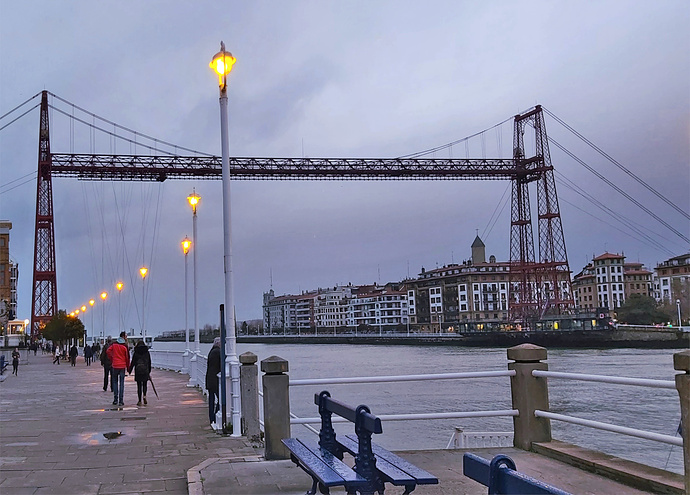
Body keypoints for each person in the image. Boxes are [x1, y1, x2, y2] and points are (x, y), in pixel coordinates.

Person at [107, 332, 130, 406]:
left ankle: (115, 399)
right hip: (122, 366)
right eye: (126, 336)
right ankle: (121, 400)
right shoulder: (124, 347)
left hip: (115, 365)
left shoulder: (114, 345)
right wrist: (128, 367)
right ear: (123, 337)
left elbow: (108, 351)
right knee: (121, 383)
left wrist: (112, 358)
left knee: (115, 382)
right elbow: (127, 358)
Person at [128, 340, 151, 406]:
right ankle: (144, 395)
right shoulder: (147, 352)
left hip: (138, 371)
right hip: (145, 370)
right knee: (144, 384)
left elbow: (133, 362)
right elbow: (149, 362)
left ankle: (139, 400)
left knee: (139, 386)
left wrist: (130, 370)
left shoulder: (136, 352)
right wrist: (149, 371)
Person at [205, 337, 222, 425]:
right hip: (215, 379)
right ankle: (216, 416)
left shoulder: (212, 351)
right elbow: (222, 362)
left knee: (211, 399)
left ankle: (212, 417)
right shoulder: (218, 352)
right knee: (221, 398)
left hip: (209, 378)